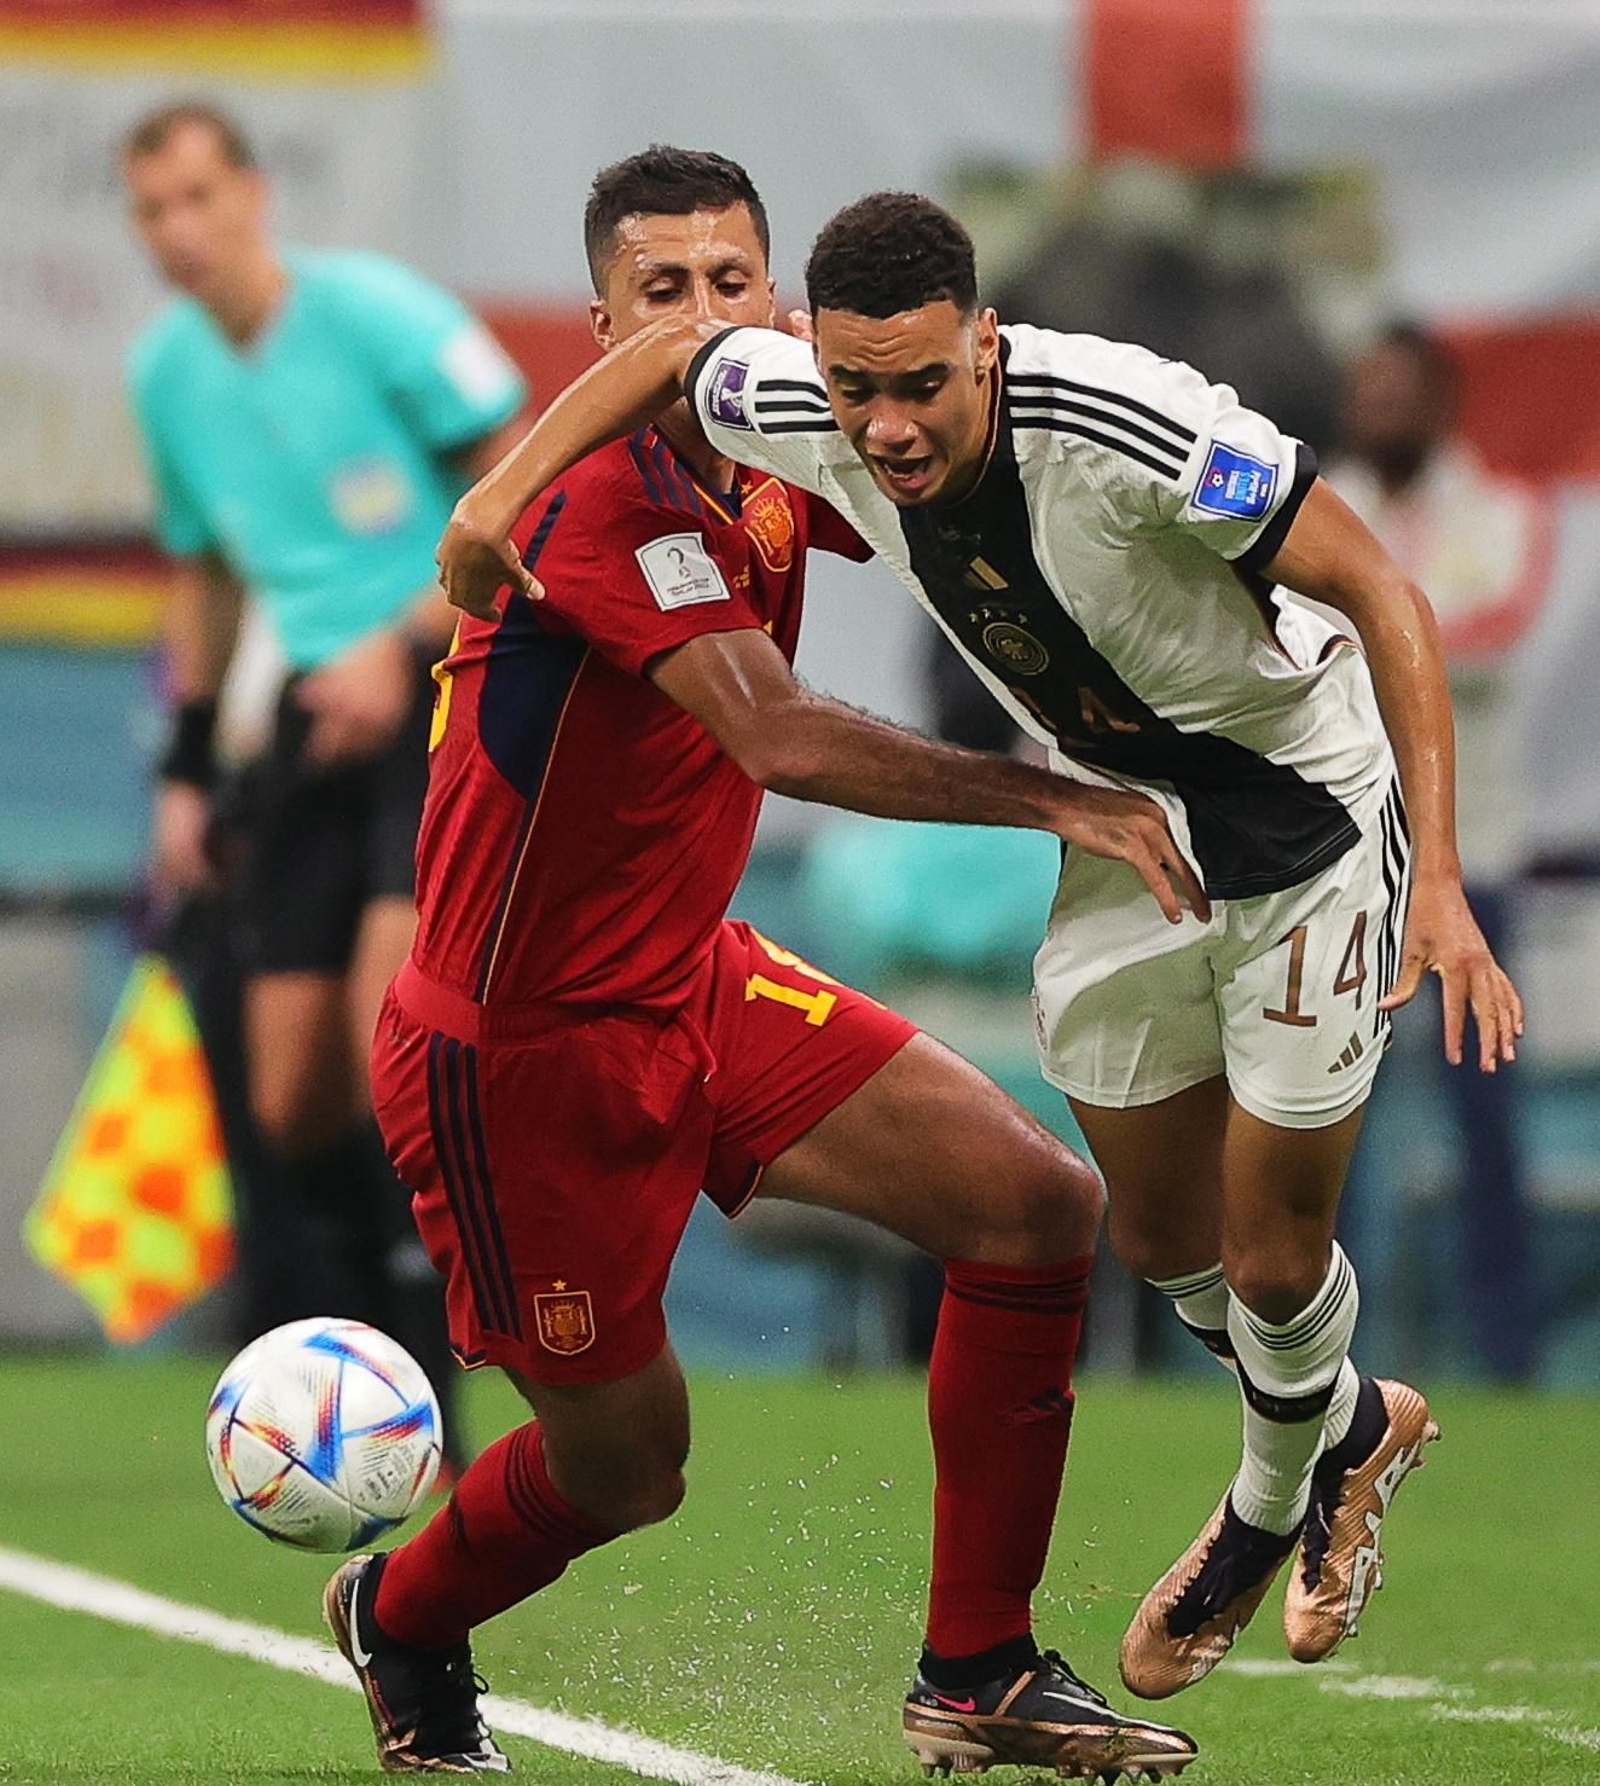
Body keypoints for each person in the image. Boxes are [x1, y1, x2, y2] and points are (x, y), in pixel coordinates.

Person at [439, 190, 1523, 1704]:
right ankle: (1353, 1423)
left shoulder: (1132, 423)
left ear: (989, 348)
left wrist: (1446, 879)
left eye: (924, 386)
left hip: (1301, 811)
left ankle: (1268, 1508)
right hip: (1124, 810)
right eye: (855, 386)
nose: (884, 428)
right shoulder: (797, 395)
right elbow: (677, 360)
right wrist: (497, 498)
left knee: (1270, 1250)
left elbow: (1383, 589)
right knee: (1151, 1236)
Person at [323, 147, 1206, 1783]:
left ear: (781, 303)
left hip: (696, 979)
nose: (706, 320)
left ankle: (978, 1665)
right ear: (603, 327)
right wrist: (1066, 797)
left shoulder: (778, 445)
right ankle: (404, 1605)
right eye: (663, 293)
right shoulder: (596, 501)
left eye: (735, 284)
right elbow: (780, 736)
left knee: (1033, 1203)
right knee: (628, 1461)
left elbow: (956, 489)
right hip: (519, 1058)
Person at [123, 103, 530, 1461]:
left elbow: (524, 477)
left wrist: (405, 632)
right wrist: (187, 770)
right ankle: (374, 1394)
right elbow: (210, 573)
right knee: (291, 1098)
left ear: (250, 191)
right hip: (306, 732)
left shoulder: (374, 316)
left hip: (434, 705)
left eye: (197, 196)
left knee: (389, 1054)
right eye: (153, 209)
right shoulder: (168, 374)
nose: (180, 231)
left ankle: (446, 1391)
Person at [1328, 323, 1548, 1383]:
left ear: (1439, 403)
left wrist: (1372, 629)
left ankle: (1506, 1356)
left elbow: (1492, 629)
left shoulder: (1503, 512)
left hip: (1472, 874)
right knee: (1329, 1123)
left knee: (1485, 1127)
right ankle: (1327, 1363)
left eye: (1394, 389)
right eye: (1363, 388)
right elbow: (1288, 641)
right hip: (1355, 865)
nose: (1375, 408)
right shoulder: (1326, 505)